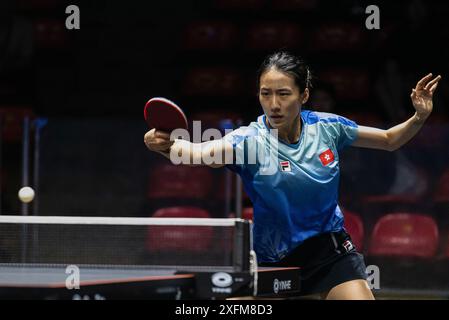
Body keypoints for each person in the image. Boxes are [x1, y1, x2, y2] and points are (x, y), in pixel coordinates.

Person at [144, 51, 441, 300]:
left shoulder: (328, 128)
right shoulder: (249, 141)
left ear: (304, 95)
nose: (274, 104)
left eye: (284, 94)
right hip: (271, 257)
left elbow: (390, 139)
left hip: (328, 252)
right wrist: (168, 144)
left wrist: (418, 117)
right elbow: (197, 153)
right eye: (266, 93)